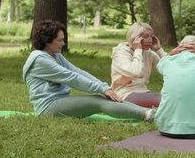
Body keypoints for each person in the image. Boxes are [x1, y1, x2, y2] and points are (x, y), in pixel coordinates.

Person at [23, 20, 154, 121]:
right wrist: (102, 89)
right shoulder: (40, 60)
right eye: (60, 40)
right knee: (97, 101)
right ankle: (148, 115)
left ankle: (149, 112)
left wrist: (104, 87)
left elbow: (78, 71)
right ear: (47, 41)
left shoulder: (55, 55)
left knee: (104, 96)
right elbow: (71, 78)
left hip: (59, 102)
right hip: (47, 108)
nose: (63, 44)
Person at [110, 22, 166, 108]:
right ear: (135, 38)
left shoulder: (148, 53)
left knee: (172, 98)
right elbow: (135, 72)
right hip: (123, 94)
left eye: (151, 36)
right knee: (166, 100)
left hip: (143, 91)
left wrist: (159, 50)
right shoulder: (121, 53)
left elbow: (170, 68)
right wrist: (138, 50)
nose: (150, 40)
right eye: (146, 36)